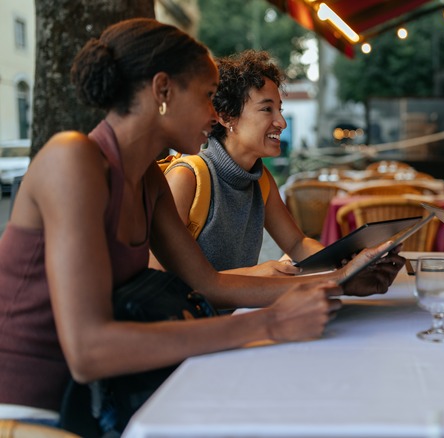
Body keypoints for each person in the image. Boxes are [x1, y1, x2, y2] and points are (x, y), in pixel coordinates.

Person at [0, 18, 397, 426]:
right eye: (208, 96)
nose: (214, 113)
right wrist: (273, 322)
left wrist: (342, 279)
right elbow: (88, 351)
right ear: (162, 91)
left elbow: (208, 284)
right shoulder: (74, 159)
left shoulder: (148, 178)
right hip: (37, 411)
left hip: (110, 397)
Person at [155, 49, 403, 295]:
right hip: (194, 325)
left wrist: (349, 267)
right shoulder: (187, 178)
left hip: (243, 312)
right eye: (266, 109)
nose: (281, 122)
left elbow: (297, 243)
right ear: (227, 116)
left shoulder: (260, 179)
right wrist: (255, 274)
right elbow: (158, 278)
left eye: (280, 110)